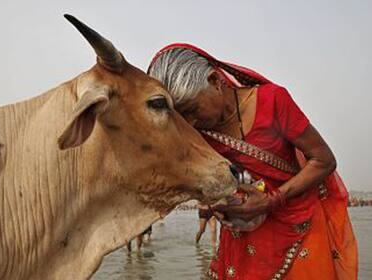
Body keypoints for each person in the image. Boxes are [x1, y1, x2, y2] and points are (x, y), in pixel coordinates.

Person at [148, 44, 358, 279]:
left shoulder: (272, 101)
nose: (191, 123)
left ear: (215, 80)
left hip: (300, 221)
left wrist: (270, 201)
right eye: (182, 117)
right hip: (245, 231)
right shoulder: (200, 134)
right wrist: (222, 207)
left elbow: (324, 160)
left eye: (192, 110)